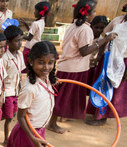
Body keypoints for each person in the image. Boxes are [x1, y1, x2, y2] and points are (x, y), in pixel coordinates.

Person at [2, 41, 57, 147]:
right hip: (28, 133)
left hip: (38, 132)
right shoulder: (29, 88)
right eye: (41, 62)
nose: (46, 67)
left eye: (50, 62)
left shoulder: (46, 80)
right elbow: (20, 116)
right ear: (31, 62)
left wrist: (53, 80)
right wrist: (33, 137)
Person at [47, 0, 117, 133]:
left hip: (68, 66)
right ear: (88, 13)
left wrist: (97, 41)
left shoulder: (73, 26)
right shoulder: (85, 29)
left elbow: (79, 46)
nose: (95, 14)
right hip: (74, 69)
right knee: (63, 98)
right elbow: (83, 51)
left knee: (61, 96)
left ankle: (55, 120)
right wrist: (104, 40)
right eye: (94, 11)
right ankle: (52, 123)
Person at [86, 0, 127, 126]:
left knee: (113, 89)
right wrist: (99, 56)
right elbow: (106, 37)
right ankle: (96, 111)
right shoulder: (117, 20)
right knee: (101, 85)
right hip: (108, 57)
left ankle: (103, 116)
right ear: (126, 5)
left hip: (124, 60)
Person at [2, 25, 25, 146]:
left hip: (16, 91)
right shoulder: (5, 58)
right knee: (9, 117)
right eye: (17, 41)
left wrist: (21, 90)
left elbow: (20, 74)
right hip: (7, 92)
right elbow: (1, 78)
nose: (20, 43)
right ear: (8, 42)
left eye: (21, 40)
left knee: (10, 114)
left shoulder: (20, 55)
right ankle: (7, 139)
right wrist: (1, 94)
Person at [20, 2, 50, 67]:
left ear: (40, 12)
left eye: (35, 10)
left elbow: (29, 37)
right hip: (36, 47)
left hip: (29, 47)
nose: (34, 12)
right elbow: (32, 32)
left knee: (25, 65)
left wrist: (19, 36)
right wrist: (26, 24)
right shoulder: (42, 22)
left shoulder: (35, 23)